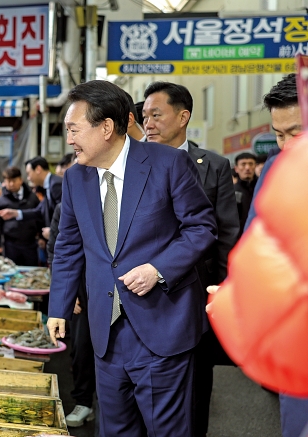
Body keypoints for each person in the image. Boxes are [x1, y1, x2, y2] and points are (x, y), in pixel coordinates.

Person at [47, 80, 217, 436]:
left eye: (73, 129)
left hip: (161, 324)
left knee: (167, 429)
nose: (69, 140)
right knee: (115, 429)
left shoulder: (168, 163)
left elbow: (201, 227)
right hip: (106, 331)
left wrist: (159, 269)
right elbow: (68, 246)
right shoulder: (76, 178)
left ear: (106, 127)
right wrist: (59, 307)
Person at [143, 81, 240, 437]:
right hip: (145, 292)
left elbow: (227, 233)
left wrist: (222, 293)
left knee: (196, 386)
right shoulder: (134, 163)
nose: (148, 123)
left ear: (183, 117)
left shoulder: (213, 165)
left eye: (156, 114)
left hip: (196, 293)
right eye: (144, 116)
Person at [229, 73, 308, 437]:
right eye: (279, 135)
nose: (288, 144)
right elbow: (254, 241)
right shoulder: (276, 168)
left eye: (297, 131)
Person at [47, 202, 96, 427]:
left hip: (114, 286)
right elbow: (56, 250)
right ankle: (84, 402)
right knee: (81, 349)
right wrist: (68, 292)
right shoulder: (65, 206)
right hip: (80, 291)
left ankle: (104, 404)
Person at [0, 166, 42, 266]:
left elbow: (39, 217)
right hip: (11, 244)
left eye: (14, 180)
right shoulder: (1, 201)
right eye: (8, 181)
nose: (11, 184)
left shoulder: (32, 197)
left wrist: (42, 237)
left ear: (20, 180)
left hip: (30, 243)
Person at [0, 157, 62, 230]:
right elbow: (39, 210)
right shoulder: (47, 186)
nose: (28, 178)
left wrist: (53, 231)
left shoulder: (55, 184)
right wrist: (16, 213)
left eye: (28, 173)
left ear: (38, 169)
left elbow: (64, 213)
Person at [233, 151, 258, 235]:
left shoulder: (263, 188)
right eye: (243, 164)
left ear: (255, 166)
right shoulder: (231, 191)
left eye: (251, 164)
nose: (247, 168)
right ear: (236, 168)